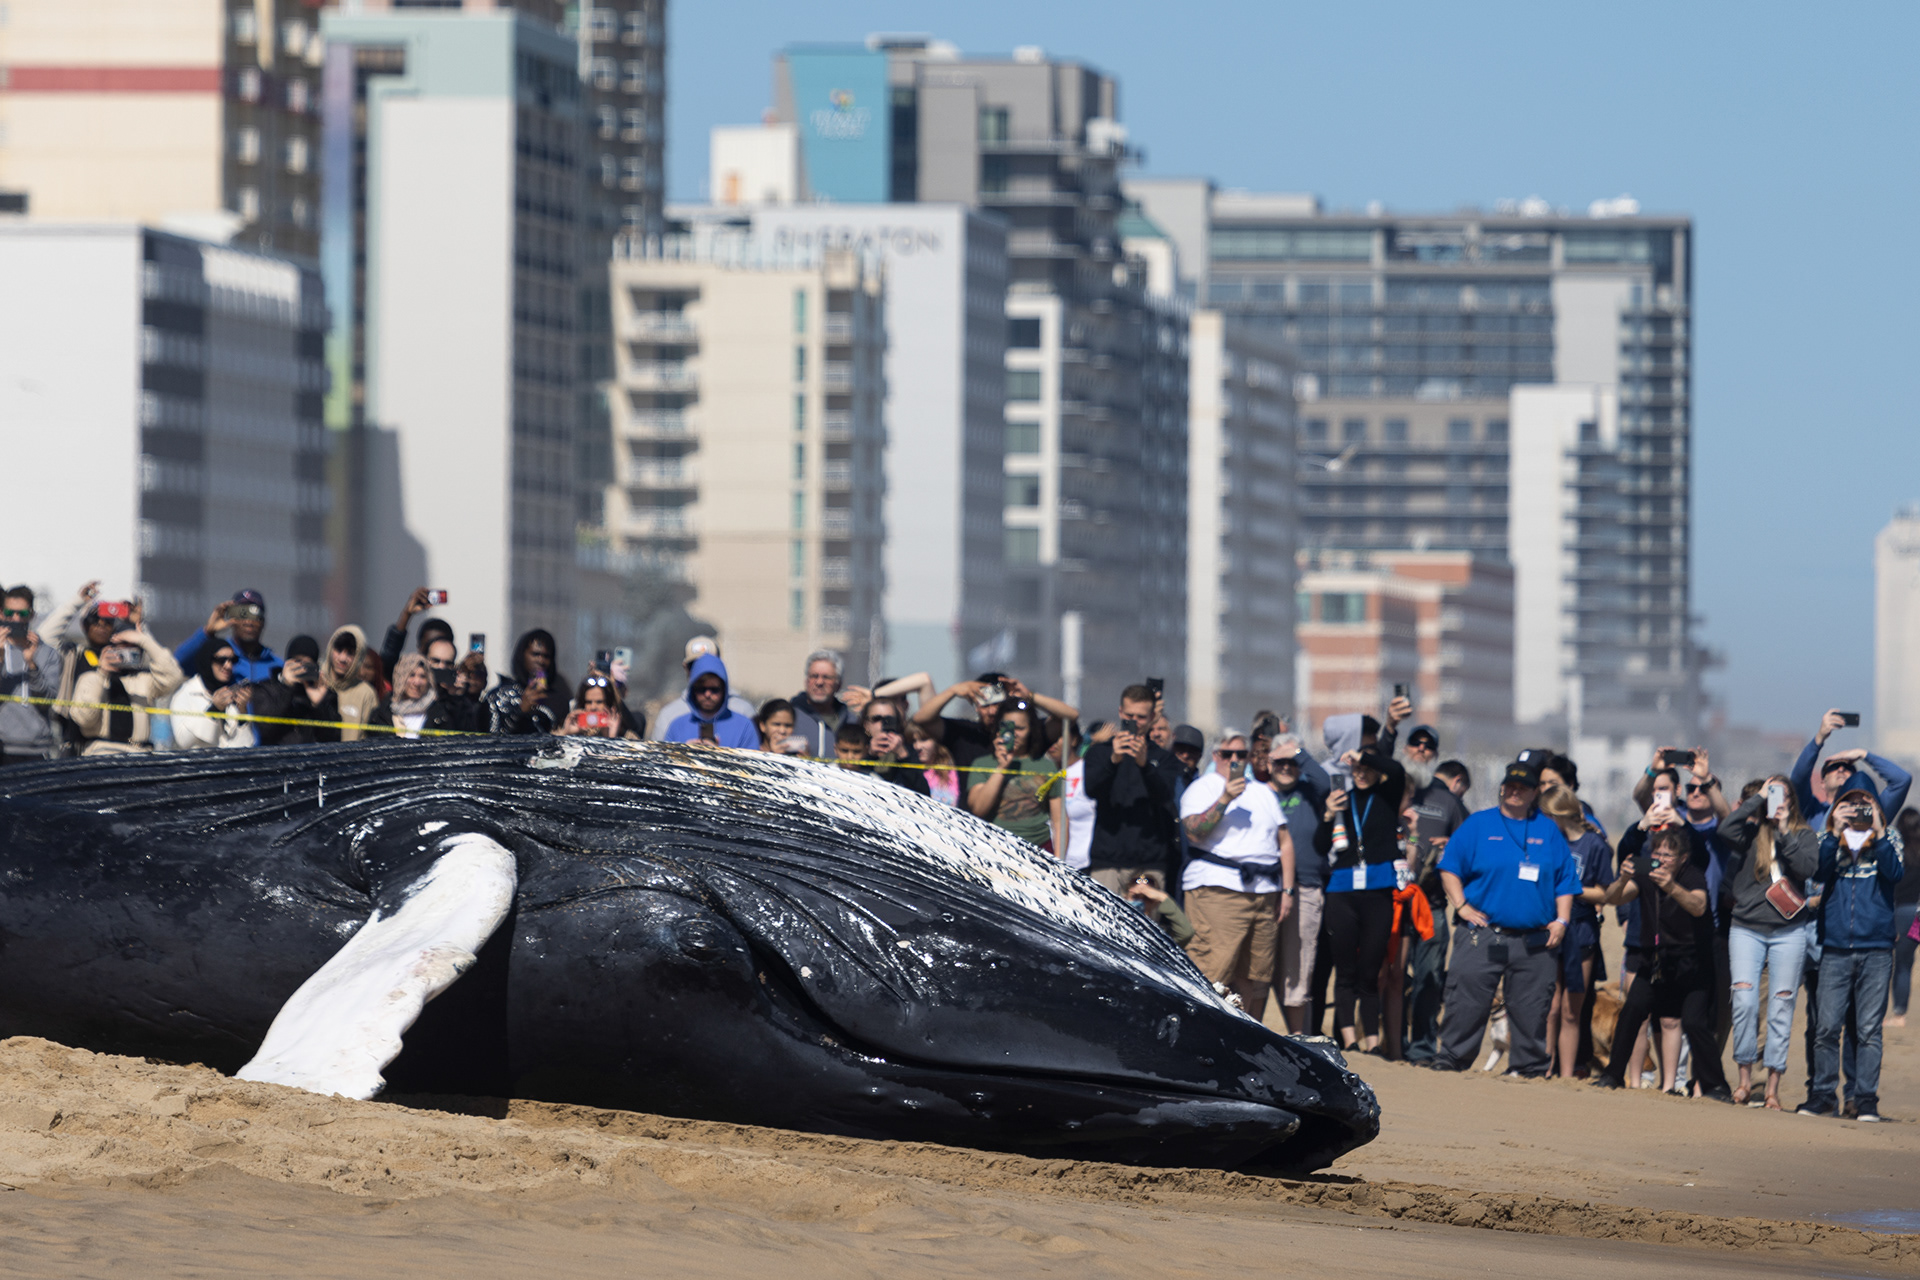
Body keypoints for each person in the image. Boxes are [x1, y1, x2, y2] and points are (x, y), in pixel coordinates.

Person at [1431, 754, 1580, 1076]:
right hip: (1482, 932)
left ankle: (1528, 1067)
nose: (1516, 792)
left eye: (1523, 788)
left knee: (1532, 1007)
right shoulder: (1478, 824)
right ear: (1501, 789)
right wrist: (1461, 905)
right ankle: (1452, 1058)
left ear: (1534, 793)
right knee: (1466, 999)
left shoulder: (1548, 831)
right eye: (1510, 786)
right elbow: (1449, 868)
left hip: (1534, 939)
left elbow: (1566, 880)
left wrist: (1563, 920)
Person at [1593, 825, 1730, 1099]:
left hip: (1693, 963)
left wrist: (1671, 886)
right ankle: (1612, 1074)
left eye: (1668, 854)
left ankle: (1716, 1085)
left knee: (1693, 1022)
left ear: (1682, 858)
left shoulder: (1692, 875)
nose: (1661, 859)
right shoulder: (1645, 875)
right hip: (1654, 961)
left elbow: (1698, 905)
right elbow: (1612, 898)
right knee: (1633, 1010)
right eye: (1657, 852)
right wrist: (1622, 879)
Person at [1801, 784, 1904, 1121]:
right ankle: (1823, 1095)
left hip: (1876, 947)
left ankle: (1865, 1099)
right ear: (1838, 807)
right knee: (1827, 1027)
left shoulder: (1890, 838)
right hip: (1835, 946)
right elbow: (1817, 873)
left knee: (1869, 1030)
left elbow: (1895, 873)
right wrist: (1833, 832)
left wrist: (1878, 831)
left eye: (1865, 803)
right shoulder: (1827, 837)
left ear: (1876, 806)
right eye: (1850, 803)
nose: (1857, 808)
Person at [1717, 775, 1819, 1108]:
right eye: (1773, 795)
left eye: (1783, 795)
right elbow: (1724, 829)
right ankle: (1744, 1079)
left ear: (1793, 801)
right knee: (1744, 1001)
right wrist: (1756, 798)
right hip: (1746, 927)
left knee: (1781, 1006)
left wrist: (1785, 830)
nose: (1778, 801)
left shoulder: (1804, 835)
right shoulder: (1750, 833)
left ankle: (1772, 1087)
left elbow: (1806, 868)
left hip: (1788, 931)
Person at [1180, 730, 1295, 1020]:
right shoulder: (1202, 787)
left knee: (1255, 977)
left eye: (1241, 755)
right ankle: (1200, 1032)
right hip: (1217, 891)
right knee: (1212, 970)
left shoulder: (1263, 792)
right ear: (1215, 756)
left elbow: (1285, 842)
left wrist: (1288, 890)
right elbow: (1194, 832)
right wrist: (1225, 798)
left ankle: (1247, 1040)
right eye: (1227, 754)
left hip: (1265, 892)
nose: (1235, 760)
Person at [1314, 746, 1408, 1053]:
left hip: (1378, 890)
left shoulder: (1386, 794)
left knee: (1371, 970)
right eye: (1355, 770)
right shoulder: (1342, 799)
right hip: (1342, 891)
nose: (1361, 774)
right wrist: (1328, 813)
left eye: (1366, 769)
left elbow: (1396, 770)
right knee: (1346, 972)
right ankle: (1350, 1041)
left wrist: (1363, 757)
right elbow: (1319, 845)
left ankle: (1372, 1042)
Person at [1081, 685, 1185, 895]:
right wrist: (1113, 761)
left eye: (1141, 717)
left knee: (1145, 926)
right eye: (1129, 716)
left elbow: (1165, 795)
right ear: (1120, 712)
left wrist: (1145, 765)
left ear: (1153, 717)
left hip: (1149, 863)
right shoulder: (1100, 753)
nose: (1135, 722)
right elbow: (1091, 790)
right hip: (1107, 861)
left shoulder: (1164, 758)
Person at [1541, 784, 1611, 1078]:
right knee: (1550, 1006)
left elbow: (1606, 893)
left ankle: (1567, 1074)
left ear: (1559, 814)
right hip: (1548, 928)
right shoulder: (1546, 840)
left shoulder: (1594, 845)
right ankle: (1542, 1068)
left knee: (1572, 1008)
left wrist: (1572, 891)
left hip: (1581, 931)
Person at [1403, 759, 1471, 1061]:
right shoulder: (1396, 791)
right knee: (1387, 977)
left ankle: (1421, 1045)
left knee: (1429, 978)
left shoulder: (1449, 802)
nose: (1421, 750)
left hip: (1431, 904)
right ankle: (1389, 1041)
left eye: (1428, 746)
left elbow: (1472, 844)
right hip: (1395, 902)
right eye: (1415, 744)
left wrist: (1452, 844)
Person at [1268, 732, 1333, 1035]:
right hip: (1265, 889)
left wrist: (1296, 751)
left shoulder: (1311, 791)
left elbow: (1326, 781)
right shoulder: (1261, 793)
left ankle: (1298, 1038)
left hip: (1306, 887)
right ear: (1268, 764)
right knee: (1257, 971)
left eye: (1291, 762)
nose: (1286, 767)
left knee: (1297, 972)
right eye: (1279, 762)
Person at [68, 610, 184, 755]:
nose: (126, 653)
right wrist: (102, 673)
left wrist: (145, 641)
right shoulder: (91, 678)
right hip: (101, 752)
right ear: (110, 648)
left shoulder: (143, 680)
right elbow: (84, 719)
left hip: (139, 752)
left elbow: (174, 676)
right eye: (121, 647)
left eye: (133, 648)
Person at [911, 671, 1078, 769]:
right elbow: (921, 719)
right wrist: (953, 691)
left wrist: (1030, 697)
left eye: (997, 704)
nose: (991, 711)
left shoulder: (1025, 733)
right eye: (984, 704)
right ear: (974, 705)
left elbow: (1070, 716)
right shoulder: (964, 733)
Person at [1790, 710, 1913, 831]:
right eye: (1833, 767)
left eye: (1848, 768)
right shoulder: (1812, 811)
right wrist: (1819, 738)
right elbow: (1798, 778)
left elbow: (1902, 780)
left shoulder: (1872, 811)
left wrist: (1863, 754)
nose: (1841, 769)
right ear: (1823, 783)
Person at [966, 698, 1059, 842]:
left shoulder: (1046, 766)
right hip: (995, 846)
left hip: (1038, 847)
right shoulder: (982, 763)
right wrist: (1001, 767)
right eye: (1008, 727)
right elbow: (979, 809)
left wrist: (1058, 859)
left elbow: (1059, 820)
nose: (1014, 734)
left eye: (1020, 728)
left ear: (1030, 730)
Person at [649, 637, 757, 740]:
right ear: (685, 668)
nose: (702, 670)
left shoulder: (743, 711)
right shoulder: (669, 715)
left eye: (710, 664)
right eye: (695, 665)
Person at [172, 590, 283, 686]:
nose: (248, 622)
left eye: (254, 614)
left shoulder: (278, 667)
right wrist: (207, 632)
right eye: (242, 614)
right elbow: (175, 665)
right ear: (232, 618)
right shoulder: (216, 657)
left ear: (263, 622)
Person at [0, 586, 59, 763]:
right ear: (2, 613)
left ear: (31, 614)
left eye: (22, 613)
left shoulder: (47, 653)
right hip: (3, 745)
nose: (16, 619)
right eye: (10, 612)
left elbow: (47, 700)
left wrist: (31, 664)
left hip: (36, 747)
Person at [168, 640, 255, 750]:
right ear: (207, 660)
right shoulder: (186, 694)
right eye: (221, 660)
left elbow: (246, 746)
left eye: (233, 660)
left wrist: (242, 715)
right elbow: (183, 742)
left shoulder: (230, 694)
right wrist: (214, 710)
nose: (228, 666)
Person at [484, 630, 570, 735]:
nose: (541, 661)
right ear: (522, 656)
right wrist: (520, 712)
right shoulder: (499, 696)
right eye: (535, 654)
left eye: (546, 656)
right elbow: (492, 740)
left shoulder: (559, 700)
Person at [662, 653, 758, 748]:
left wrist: (718, 756)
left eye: (714, 689)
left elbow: (752, 762)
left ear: (724, 690)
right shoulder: (677, 726)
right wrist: (684, 753)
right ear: (692, 690)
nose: (707, 694)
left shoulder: (744, 726)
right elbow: (663, 761)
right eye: (701, 689)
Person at [788, 649, 866, 757]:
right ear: (806, 681)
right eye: (814, 676)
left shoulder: (851, 722)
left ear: (838, 684)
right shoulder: (789, 716)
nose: (819, 682)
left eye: (826, 677)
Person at [1059, 721, 1111, 871]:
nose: (1053, 744)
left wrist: (1095, 744)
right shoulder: (1045, 774)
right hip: (1054, 862)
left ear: (1075, 740)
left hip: (1086, 864)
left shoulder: (1085, 769)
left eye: (1059, 737)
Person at [855, 696, 932, 795]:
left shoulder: (910, 749)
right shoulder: (857, 747)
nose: (883, 724)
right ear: (866, 725)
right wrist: (869, 754)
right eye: (876, 719)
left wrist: (902, 754)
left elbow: (922, 792)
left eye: (889, 719)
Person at [318, 626, 379, 742]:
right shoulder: (315, 682)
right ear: (330, 649)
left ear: (359, 657)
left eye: (350, 653)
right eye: (339, 650)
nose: (342, 658)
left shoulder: (366, 693)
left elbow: (370, 738)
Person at [1892, 808, 1920, 1028]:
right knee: (1905, 964)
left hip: (1902, 912)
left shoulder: (1898, 852)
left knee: (1897, 963)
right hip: (1918, 914)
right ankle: (1900, 1014)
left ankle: (1897, 1014)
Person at [556, 674, 641, 740]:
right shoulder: (573, 731)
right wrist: (566, 734)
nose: (593, 707)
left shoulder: (628, 738)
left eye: (599, 702)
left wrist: (612, 739)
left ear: (610, 705)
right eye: (588, 702)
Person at [1126, 877, 1195, 946]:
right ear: (1125, 897)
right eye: (1136, 897)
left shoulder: (1159, 935)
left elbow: (1186, 933)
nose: (1141, 901)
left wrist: (1163, 898)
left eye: (1146, 898)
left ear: (1155, 903)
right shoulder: (1116, 924)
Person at [908, 721, 961, 804]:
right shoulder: (906, 771)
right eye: (913, 741)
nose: (918, 746)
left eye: (924, 739)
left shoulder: (949, 769)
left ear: (936, 741)